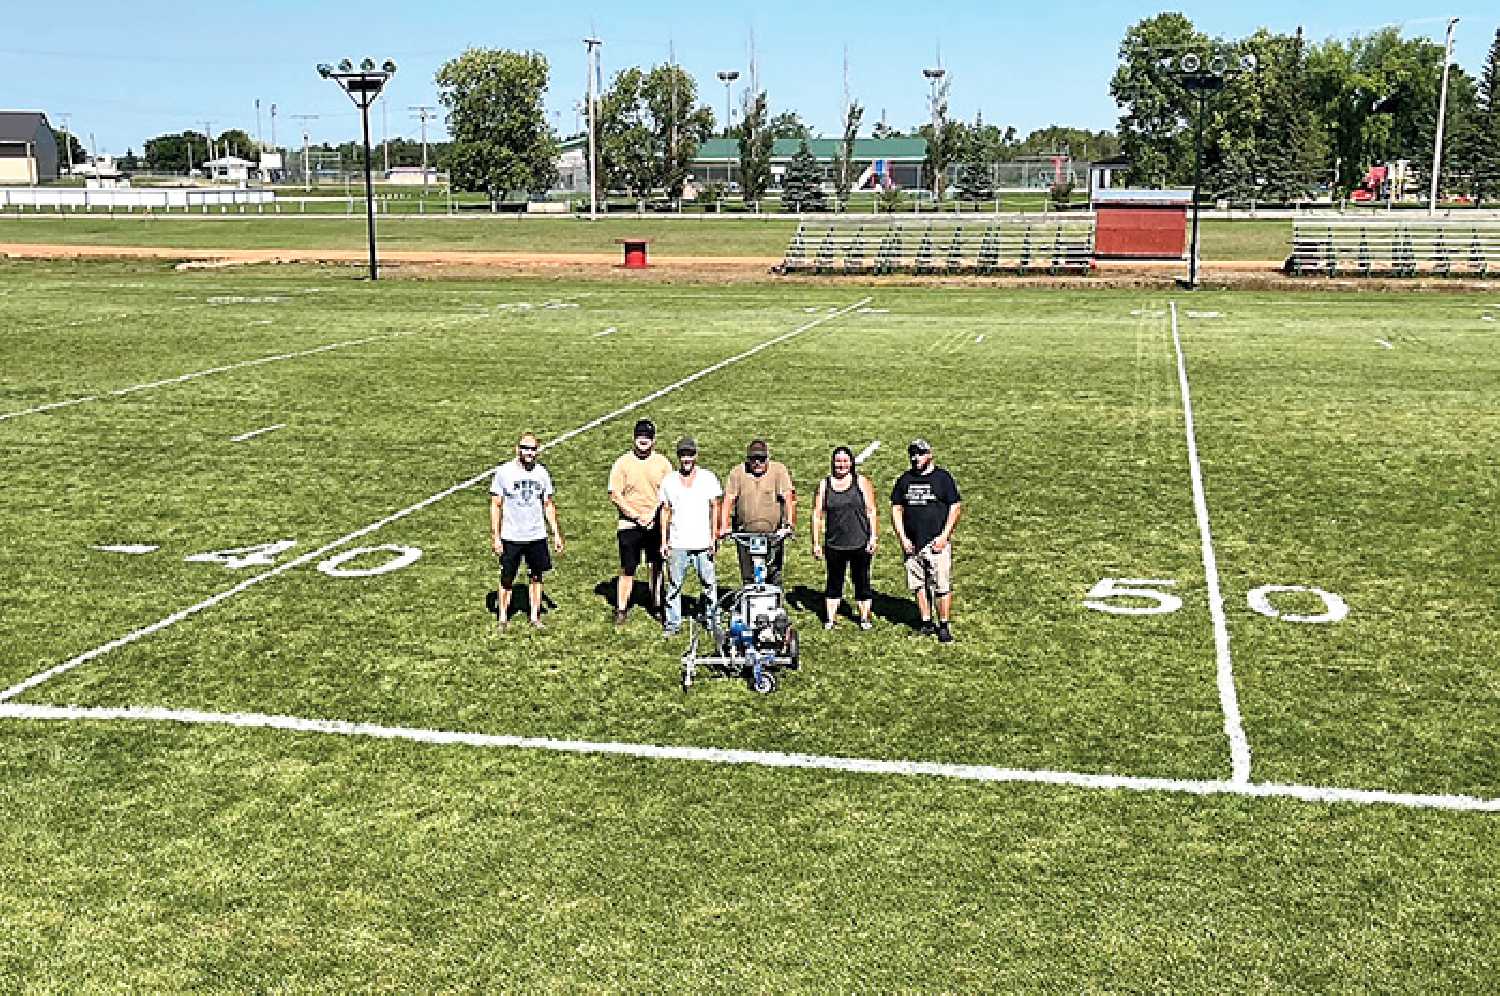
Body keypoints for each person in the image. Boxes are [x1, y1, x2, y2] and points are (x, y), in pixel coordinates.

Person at [490, 432, 565, 630]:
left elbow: (548, 504)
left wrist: (555, 532)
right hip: (511, 535)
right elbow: (496, 505)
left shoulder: (542, 473)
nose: (529, 452)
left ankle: (534, 616)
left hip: (536, 535)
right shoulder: (504, 472)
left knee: (536, 576)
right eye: (525, 448)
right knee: (507, 577)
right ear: (518, 449)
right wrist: (496, 536)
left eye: (532, 449)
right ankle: (503, 617)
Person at [890, 438, 962, 643]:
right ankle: (926, 621)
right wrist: (902, 538)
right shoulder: (905, 480)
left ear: (930, 454)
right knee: (918, 585)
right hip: (912, 543)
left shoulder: (942, 478)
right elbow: (896, 508)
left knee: (941, 585)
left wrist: (944, 536)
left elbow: (955, 507)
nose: (916, 458)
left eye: (920, 453)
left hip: (936, 543)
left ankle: (944, 624)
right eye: (913, 454)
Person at [607, 418, 673, 626]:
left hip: (655, 523)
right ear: (634, 438)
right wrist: (636, 516)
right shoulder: (622, 463)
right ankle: (621, 608)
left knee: (656, 567)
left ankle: (656, 605)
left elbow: (668, 494)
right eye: (640, 436)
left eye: (648, 437)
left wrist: (653, 515)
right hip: (629, 524)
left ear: (654, 440)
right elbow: (615, 495)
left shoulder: (663, 463)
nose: (643, 441)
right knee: (628, 568)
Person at [658, 436, 722, 637]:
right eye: (683, 455)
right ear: (678, 457)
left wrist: (714, 537)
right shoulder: (669, 481)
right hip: (678, 543)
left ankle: (712, 620)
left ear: (696, 456)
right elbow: (665, 512)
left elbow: (715, 508)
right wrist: (664, 541)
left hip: (703, 543)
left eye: (690, 455)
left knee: (709, 585)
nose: (686, 459)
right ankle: (673, 622)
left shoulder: (708, 478)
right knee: (675, 586)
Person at [811, 446, 879, 630]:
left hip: (860, 542)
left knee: (862, 580)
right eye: (838, 461)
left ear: (851, 462)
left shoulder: (861, 482)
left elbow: (871, 510)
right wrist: (816, 543)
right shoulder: (825, 485)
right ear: (833, 462)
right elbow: (817, 515)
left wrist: (873, 536)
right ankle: (830, 619)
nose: (842, 465)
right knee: (834, 581)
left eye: (845, 461)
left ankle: (864, 618)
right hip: (835, 544)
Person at [720, 439, 796, 586]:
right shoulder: (738, 472)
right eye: (753, 459)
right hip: (745, 534)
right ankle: (750, 603)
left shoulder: (778, 471)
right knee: (748, 575)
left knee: (773, 573)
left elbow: (788, 497)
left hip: (772, 534)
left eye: (761, 459)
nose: (757, 463)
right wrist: (724, 526)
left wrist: (789, 524)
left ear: (768, 458)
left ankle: (773, 603)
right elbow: (729, 499)